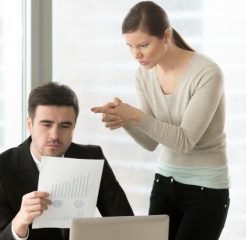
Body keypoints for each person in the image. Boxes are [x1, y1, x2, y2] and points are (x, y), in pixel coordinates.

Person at [91, 1, 230, 240]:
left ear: (166, 35)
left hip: (206, 189)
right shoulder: (143, 74)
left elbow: (185, 141)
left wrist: (136, 116)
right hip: (164, 181)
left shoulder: (208, 73)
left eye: (143, 45)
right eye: (130, 46)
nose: (136, 54)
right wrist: (124, 119)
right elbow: (150, 142)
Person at [0, 82, 133, 240]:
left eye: (65, 126)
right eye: (46, 124)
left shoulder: (92, 157)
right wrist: (20, 222)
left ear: (73, 127)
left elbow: (126, 224)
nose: (55, 135)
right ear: (29, 124)